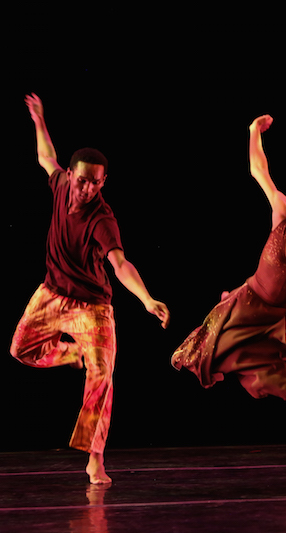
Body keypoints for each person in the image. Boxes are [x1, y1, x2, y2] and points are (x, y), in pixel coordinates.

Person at [171, 114, 286, 489]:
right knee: (206, 356)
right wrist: (253, 133)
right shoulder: (280, 213)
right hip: (251, 307)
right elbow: (259, 170)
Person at [11, 93, 171, 485]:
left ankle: (94, 458)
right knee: (20, 349)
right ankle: (70, 356)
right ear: (71, 174)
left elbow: (120, 264)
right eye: (81, 181)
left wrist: (147, 298)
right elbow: (45, 157)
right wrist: (39, 120)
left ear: (103, 183)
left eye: (94, 184)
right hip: (51, 293)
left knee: (102, 374)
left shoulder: (103, 220)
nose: (85, 189)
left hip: (92, 306)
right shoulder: (60, 183)